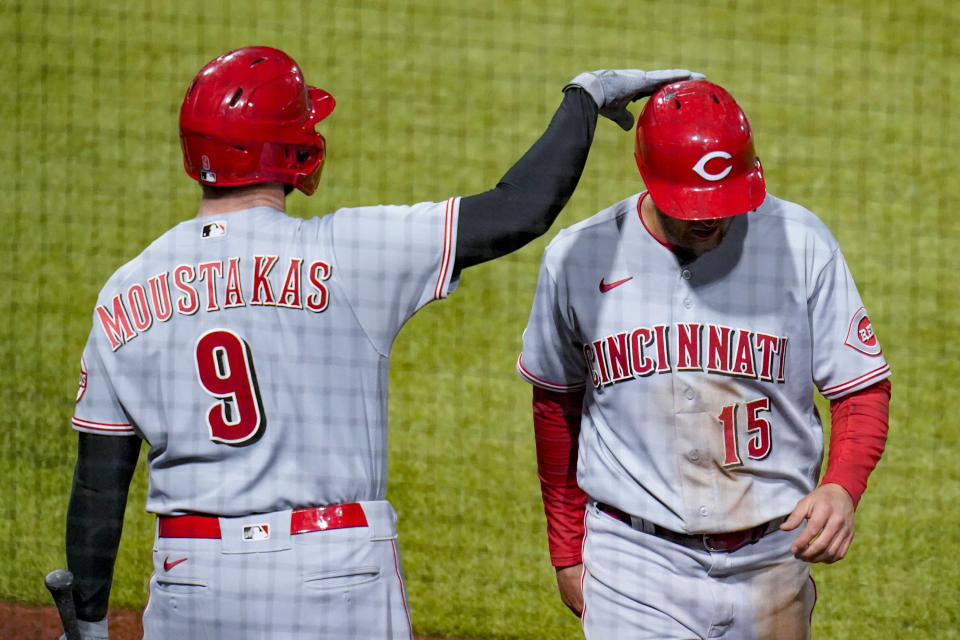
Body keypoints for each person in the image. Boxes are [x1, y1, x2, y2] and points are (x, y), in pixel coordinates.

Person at [62, 45, 703, 640]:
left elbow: (99, 483)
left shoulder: (124, 294)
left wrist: (89, 618)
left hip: (192, 579)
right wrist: (583, 99)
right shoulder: (349, 253)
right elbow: (518, 210)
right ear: (298, 154)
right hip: (331, 572)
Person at [517, 79, 891, 639]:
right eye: (691, 205)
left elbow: (860, 389)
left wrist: (841, 485)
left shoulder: (801, 242)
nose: (708, 220)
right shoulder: (579, 256)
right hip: (634, 561)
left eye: (721, 203)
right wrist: (568, 548)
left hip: (771, 559)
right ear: (646, 174)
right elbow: (555, 405)